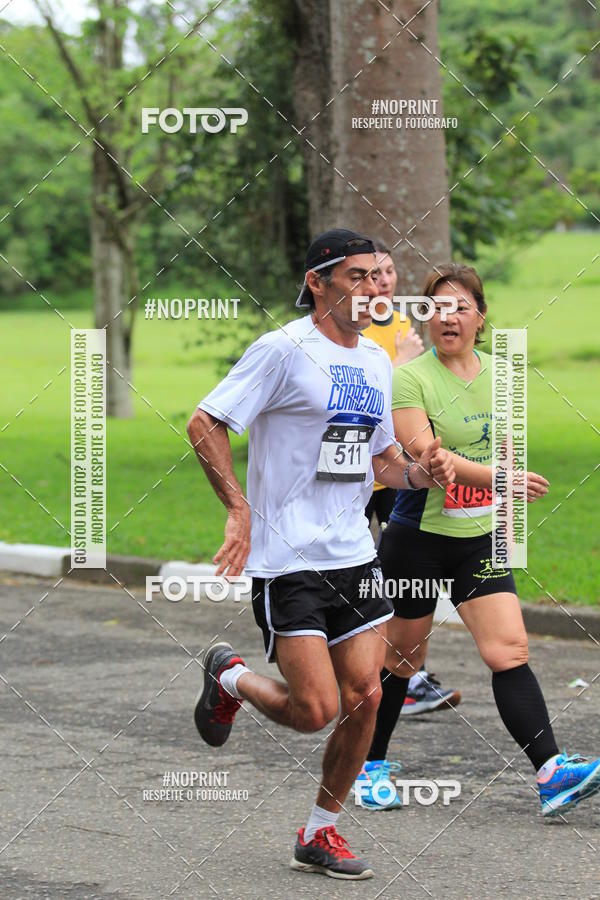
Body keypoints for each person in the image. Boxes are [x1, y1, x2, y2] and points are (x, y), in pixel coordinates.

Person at [186, 228, 455, 879]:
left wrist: (422, 474)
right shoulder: (282, 351)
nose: (373, 289)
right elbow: (205, 423)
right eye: (357, 277)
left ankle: (320, 832)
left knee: (365, 696)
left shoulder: (374, 362)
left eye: (377, 277)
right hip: (289, 560)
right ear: (318, 283)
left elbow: (381, 462)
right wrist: (238, 507)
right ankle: (230, 676)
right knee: (316, 711)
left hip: (354, 556)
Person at [358, 262, 600, 816]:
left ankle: (551, 773)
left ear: (480, 318)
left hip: (479, 540)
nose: (448, 317)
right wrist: (500, 479)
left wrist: (505, 497)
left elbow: (507, 448)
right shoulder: (410, 377)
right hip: (418, 539)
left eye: (460, 306)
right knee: (401, 660)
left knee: (509, 650)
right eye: (437, 307)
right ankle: (368, 767)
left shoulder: (502, 372)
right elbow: (428, 456)